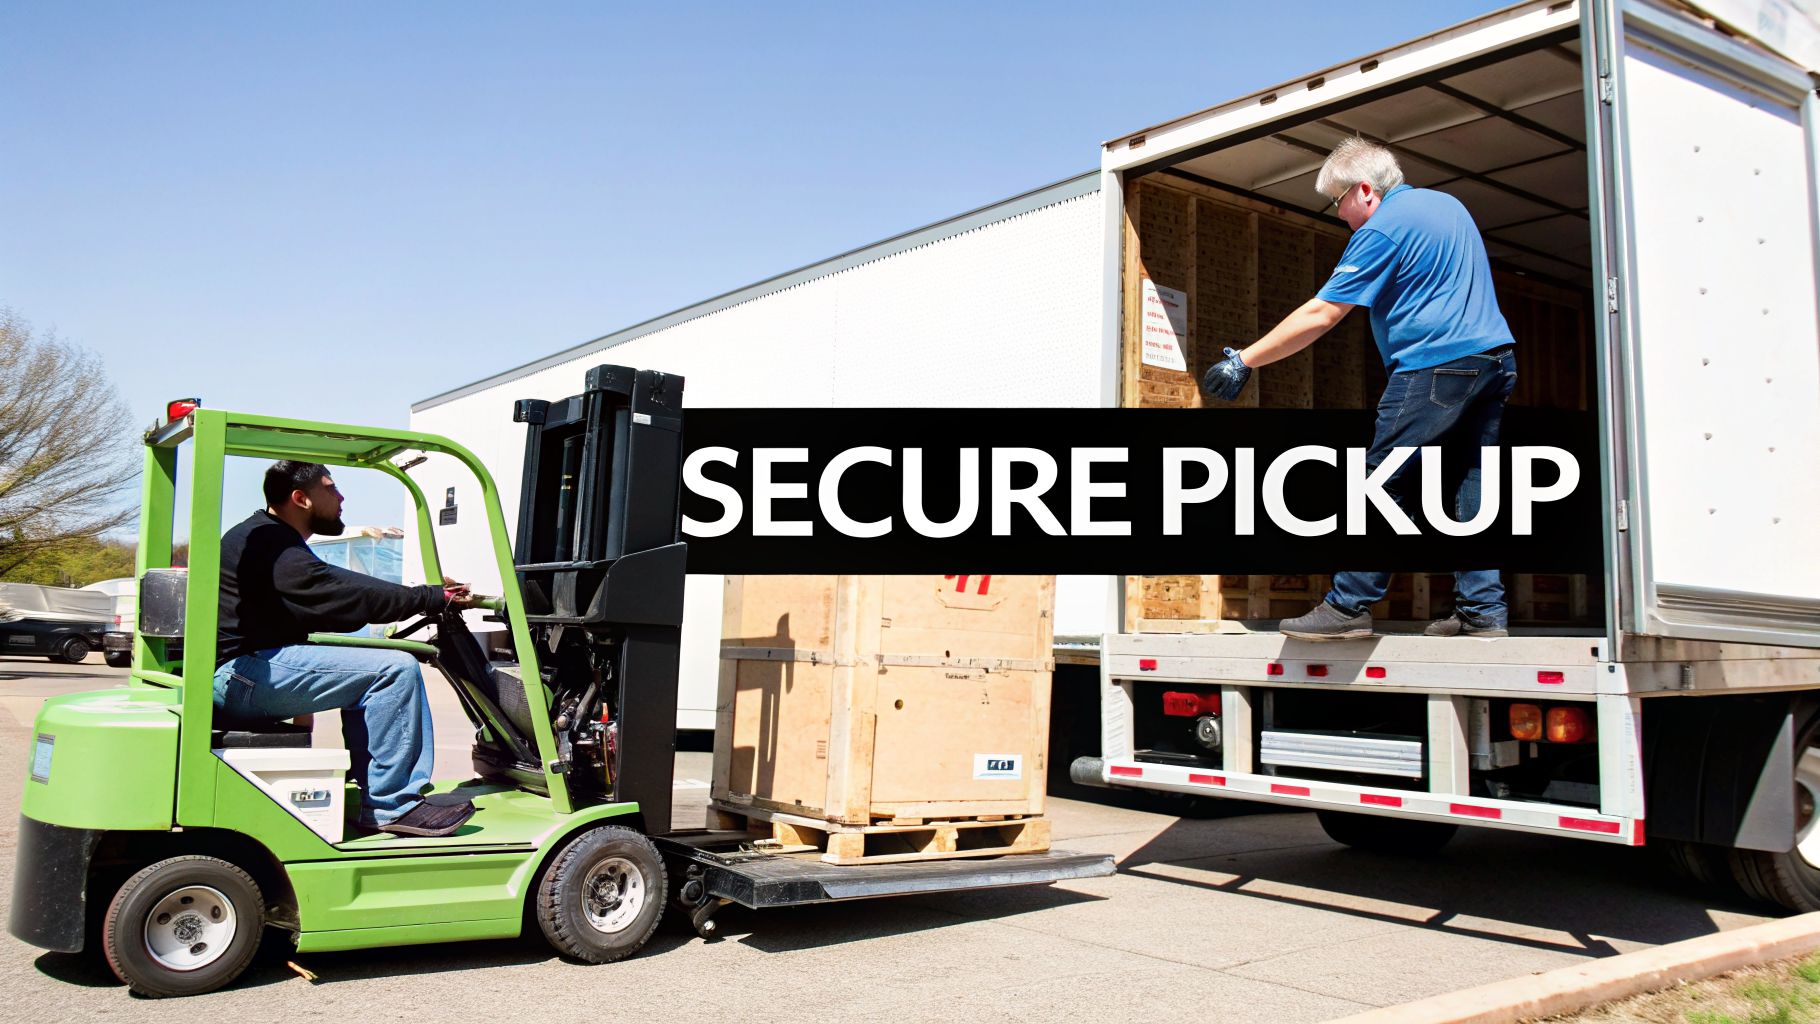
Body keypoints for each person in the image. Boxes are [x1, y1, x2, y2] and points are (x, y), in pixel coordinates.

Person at [1201, 137, 1518, 641]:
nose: (1340, 215)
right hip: (1495, 363)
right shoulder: (1447, 206)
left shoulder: (1384, 228)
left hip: (1434, 367)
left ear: (1364, 190)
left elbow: (1322, 313)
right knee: (1468, 484)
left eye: (1338, 201)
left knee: (1380, 481)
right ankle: (1483, 611)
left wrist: (1245, 360)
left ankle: (1349, 605)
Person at [213, 460, 477, 836]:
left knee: (372, 663)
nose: (341, 497)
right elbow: (338, 591)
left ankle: (372, 788)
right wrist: (430, 597)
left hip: (249, 669)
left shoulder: (267, 538)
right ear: (300, 498)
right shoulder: (270, 543)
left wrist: (422, 594)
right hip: (245, 673)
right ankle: (393, 805)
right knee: (394, 670)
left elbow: (329, 602)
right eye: (331, 488)